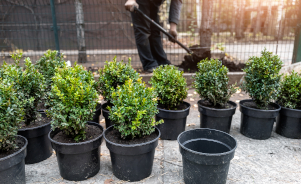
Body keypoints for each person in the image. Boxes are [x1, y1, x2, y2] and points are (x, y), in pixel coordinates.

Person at [125, 0, 182, 73]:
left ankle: (162, 63)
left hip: (154, 2)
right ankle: (149, 64)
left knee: (155, 30)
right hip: (139, 2)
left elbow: (177, 1)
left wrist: (173, 28)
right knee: (143, 31)